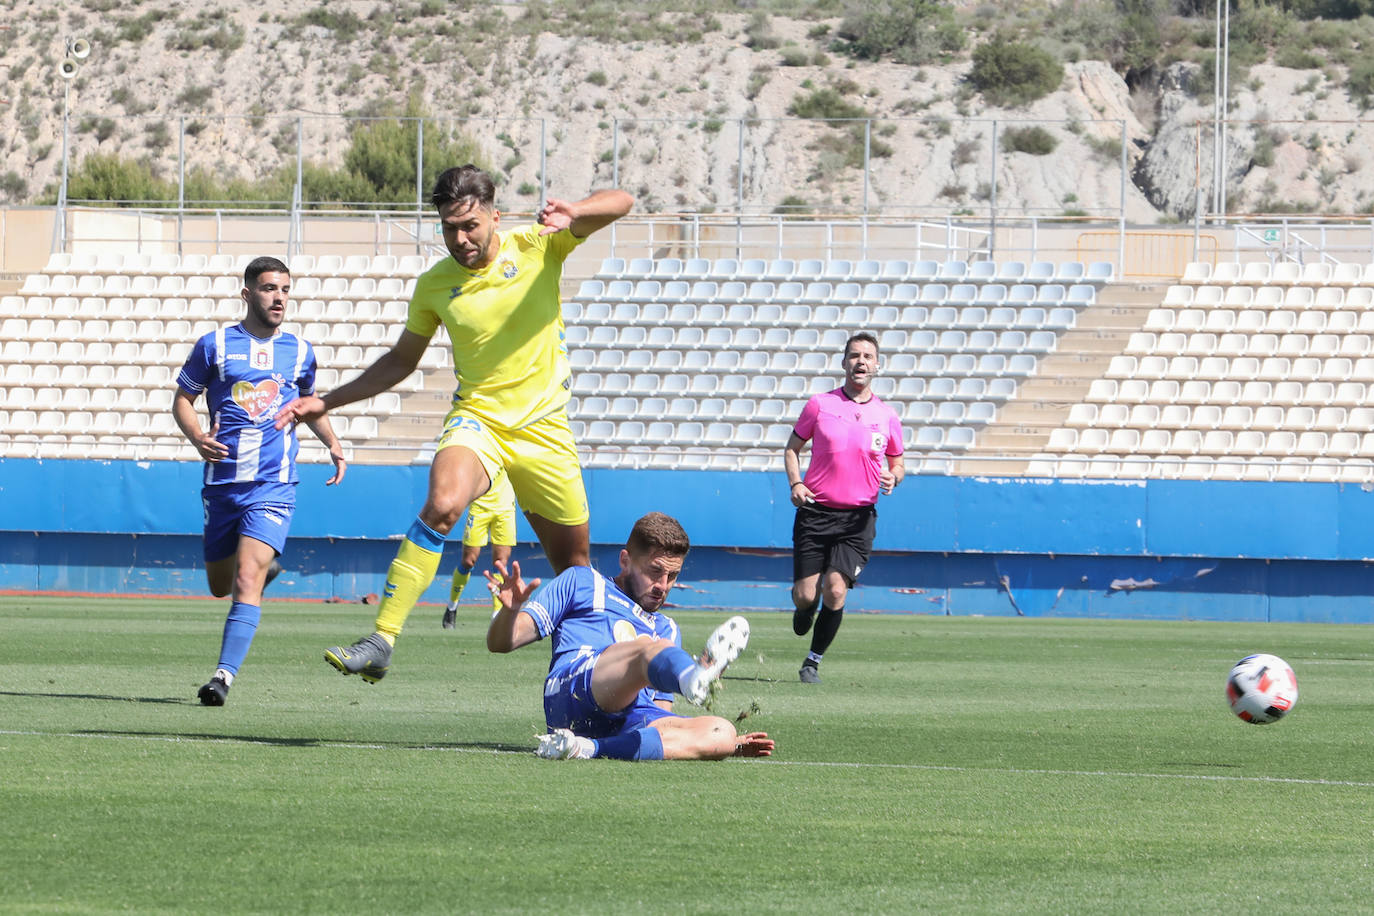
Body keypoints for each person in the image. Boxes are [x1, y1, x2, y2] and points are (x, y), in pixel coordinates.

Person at [275, 164, 633, 684]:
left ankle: (593, 674)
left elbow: (622, 200)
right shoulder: (434, 285)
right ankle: (383, 638)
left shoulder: (539, 245)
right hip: (478, 420)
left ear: (495, 215)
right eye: (448, 227)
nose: (460, 239)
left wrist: (575, 211)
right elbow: (401, 361)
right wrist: (327, 402)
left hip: (544, 430)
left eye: (470, 225)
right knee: (443, 504)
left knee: (575, 570)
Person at [173, 255, 346, 706]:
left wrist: (333, 443)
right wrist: (197, 437)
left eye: (286, 290)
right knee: (220, 584)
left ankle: (222, 678)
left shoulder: (301, 351)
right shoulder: (214, 345)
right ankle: (263, 567)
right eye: (270, 289)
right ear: (247, 293)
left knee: (247, 578)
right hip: (223, 483)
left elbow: (308, 403)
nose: (279, 298)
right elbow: (183, 401)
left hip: (274, 483)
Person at [486, 512, 773, 761]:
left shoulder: (668, 629)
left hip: (623, 720)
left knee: (723, 732)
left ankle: (585, 748)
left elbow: (658, 716)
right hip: (572, 693)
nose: (663, 585)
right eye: (655, 571)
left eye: (672, 576)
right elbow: (502, 643)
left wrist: (705, 743)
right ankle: (694, 677)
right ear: (626, 561)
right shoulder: (582, 582)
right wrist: (510, 612)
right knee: (647, 649)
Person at [783, 331, 904, 685]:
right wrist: (796, 483)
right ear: (844, 362)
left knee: (835, 589)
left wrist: (894, 478)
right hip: (816, 512)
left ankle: (812, 663)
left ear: (877, 365)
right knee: (806, 595)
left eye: (868, 356)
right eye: (854, 355)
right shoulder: (820, 405)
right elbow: (792, 449)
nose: (861, 361)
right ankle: (803, 609)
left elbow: (898, 462)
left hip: (857, 519)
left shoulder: (886, 415)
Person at [441, 466, 517, 628]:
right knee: (469, 561)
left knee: (500, 563)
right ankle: (452, 606)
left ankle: (496, 613)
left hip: (505, 508)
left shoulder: (512, 443)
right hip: (480, 506)